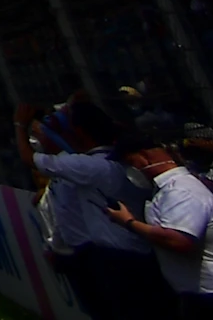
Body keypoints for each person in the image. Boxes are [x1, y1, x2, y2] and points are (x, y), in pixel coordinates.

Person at [105, 123, 213, 318]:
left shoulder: (181, 191)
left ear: (144, 156)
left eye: (130, 163)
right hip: (203, 296)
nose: (130, 170)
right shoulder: (167, 190)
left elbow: (180, 241)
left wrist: (129, 223)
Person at [33, 108, 166, 320]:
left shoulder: (91, 166)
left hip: (120, 257)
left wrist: (21, 126)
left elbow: (32, 160)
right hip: (129, 254)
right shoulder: (103, 164)